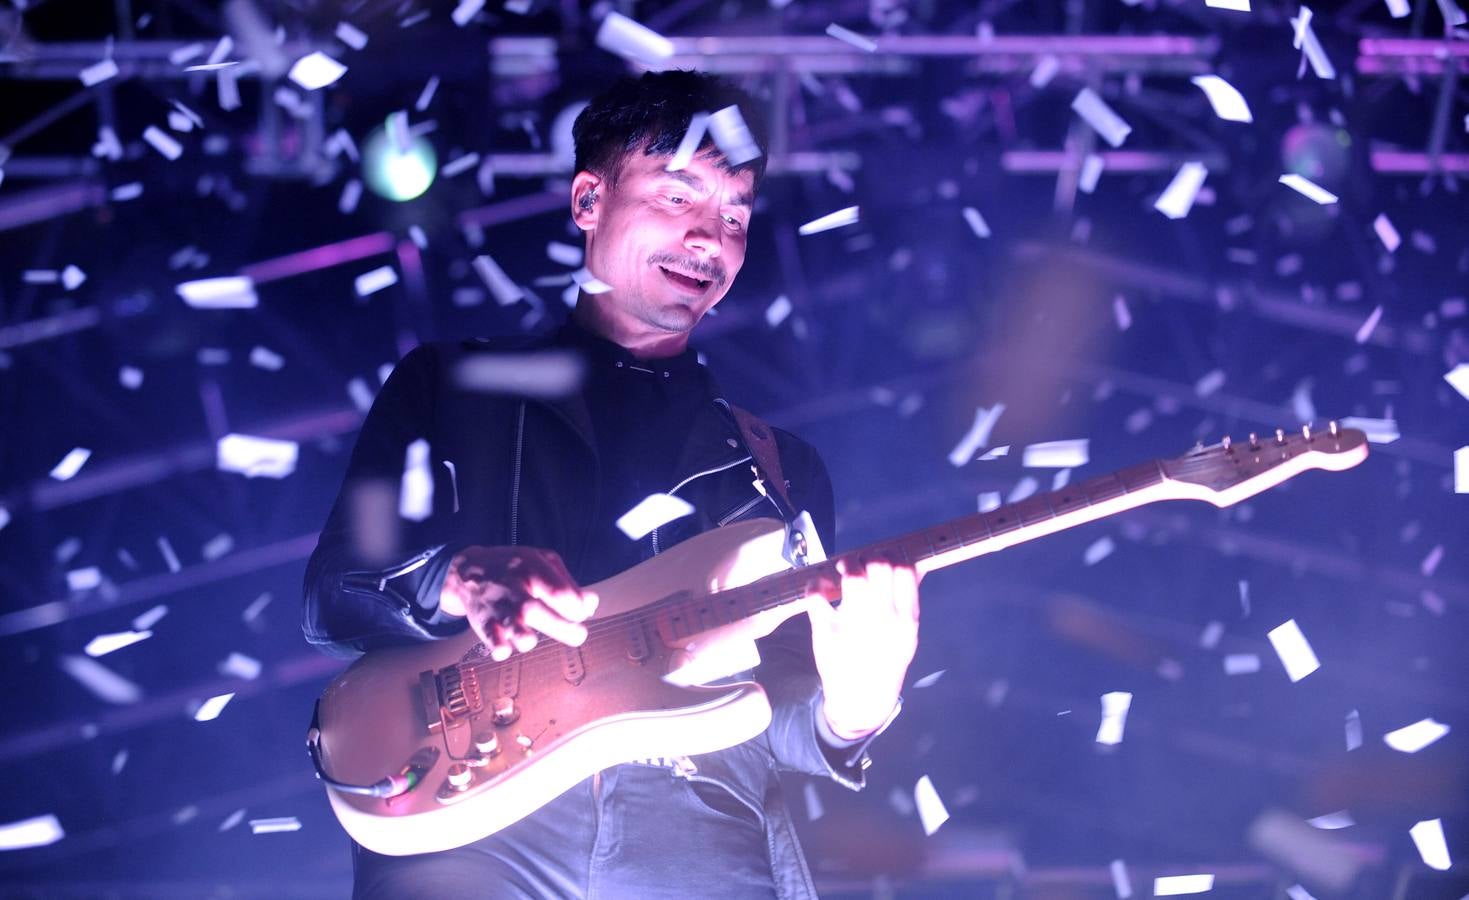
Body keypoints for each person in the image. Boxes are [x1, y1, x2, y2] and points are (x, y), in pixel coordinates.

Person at [303, 69, 922, 899]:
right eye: (679, 198)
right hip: (475, 828)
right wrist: (456, 579)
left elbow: (781, 717)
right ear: (589, 200)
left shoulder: (782, 469)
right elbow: (332, 594)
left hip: (699, 839)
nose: (711, 237)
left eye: (734, 214)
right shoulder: (448, 384)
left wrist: (859, 703)